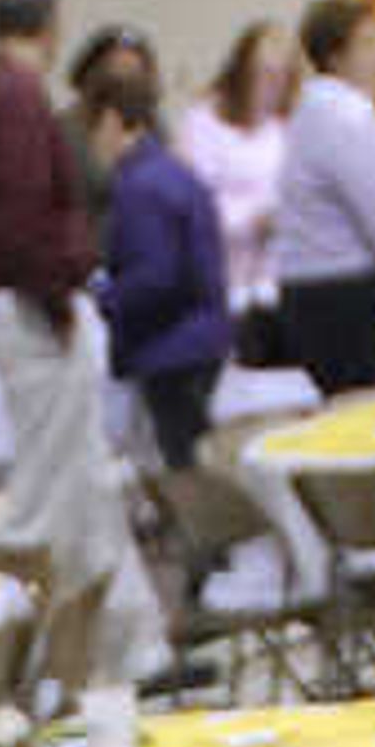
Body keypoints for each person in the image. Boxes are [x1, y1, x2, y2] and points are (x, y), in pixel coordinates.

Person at [0, 0, 165, 674]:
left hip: (24, 303)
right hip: (34, 307)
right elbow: (24, 223)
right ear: (48, 28)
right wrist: (63, 293)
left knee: (83, 492)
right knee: (51, 502)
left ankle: (123, 653)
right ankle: (27, 656)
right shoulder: (15, 101)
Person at [83, 49, 231, 471]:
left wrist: (104, 296)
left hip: (170, 349)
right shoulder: (175, 172)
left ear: (111, 121)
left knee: (186, 472)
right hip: (202, 338)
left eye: (92, 131)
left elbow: (155, 276)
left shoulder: (139, 188)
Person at [275, 0, 375, 394]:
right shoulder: (345, 120)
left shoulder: (312, 114)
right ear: (337, 56)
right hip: (345, 296)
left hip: (316, 293)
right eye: (369, 44)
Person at [178, 24, 296, 347]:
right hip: (225, 282)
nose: (274, 86)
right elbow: (195, 207)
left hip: (276, 281)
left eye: (283, 76)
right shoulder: (202, 124)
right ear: (243, 71)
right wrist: (252, 220)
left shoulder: (281, 129)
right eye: (266, 74)